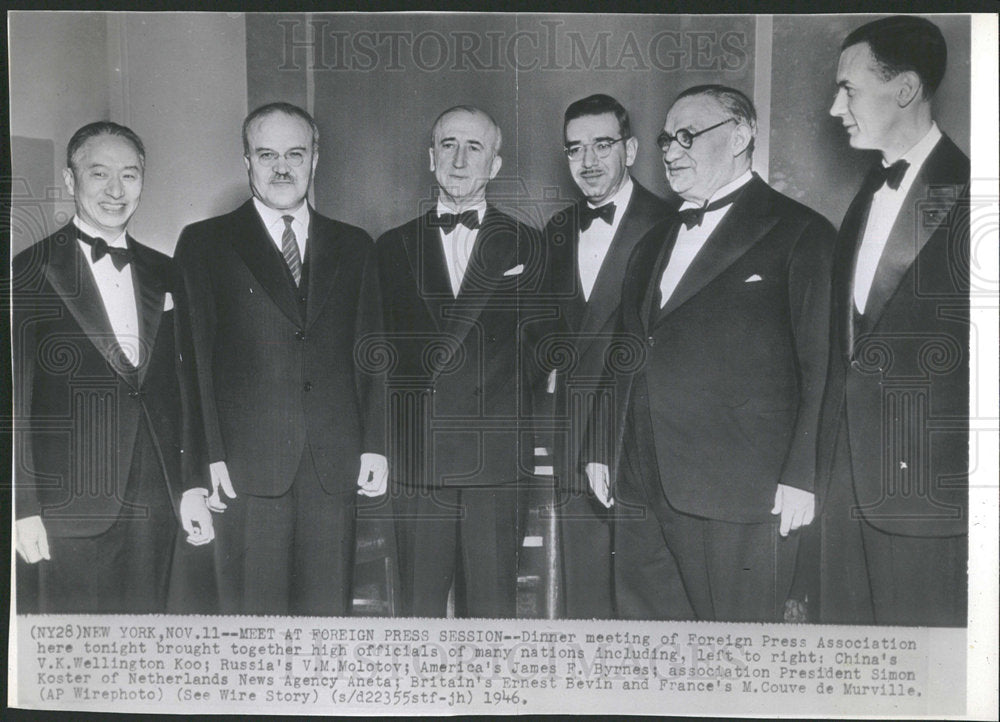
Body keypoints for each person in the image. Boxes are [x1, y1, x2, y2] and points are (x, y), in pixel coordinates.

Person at [586, 85, 835, 622]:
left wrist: (803, 475)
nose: (671, 152)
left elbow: (822, 367)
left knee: (738, 661)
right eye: (665, 140)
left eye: (687, 136)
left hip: (740, 495)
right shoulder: (652, 242)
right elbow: (625, 353)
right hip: (640, 484)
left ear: (741, 135)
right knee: (649, 655)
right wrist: (603, 445)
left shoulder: (802, 232)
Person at [174, 102, 386, 615]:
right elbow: (193, 362)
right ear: (246, 160)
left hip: (333, 467)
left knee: (326, 626)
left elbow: (373, 354)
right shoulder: (204, 243)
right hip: (245, 470)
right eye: (267, 154)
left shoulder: (355, 245)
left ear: (316, 158)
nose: (283, 167)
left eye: (296, 153)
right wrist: (205, 462)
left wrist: (376, 445)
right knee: (253, 626)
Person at [13, 121, 205, 612]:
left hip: (156, 501)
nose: (116, 191)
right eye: (99, 174)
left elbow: (184, 389)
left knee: (147, 657)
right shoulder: (26, 272)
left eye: (130, 175)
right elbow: (12, 401)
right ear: (71, 180)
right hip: (66, 510)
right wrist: (22, 508)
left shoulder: (168, 270)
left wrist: (190, 487)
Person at [818, 16, 969, 626]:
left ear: (904, 89)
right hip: (842, 489)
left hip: (924, 497)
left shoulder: (976, 194)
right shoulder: (866, 193)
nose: (834, 108)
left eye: (848, 89)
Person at [367, 106, 538, 617]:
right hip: (418, 458)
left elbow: (543, 351)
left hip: (497, 460)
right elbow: (376, 358)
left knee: (491, 618)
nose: (460, 160)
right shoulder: (392, 246)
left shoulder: (532, 244)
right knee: (417, 614)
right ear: (430, 157)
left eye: (475, 148)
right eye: (448, 145)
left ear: (496, 164)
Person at [537, 94, 673, 619]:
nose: (588, 162)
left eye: (602, 145)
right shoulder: (554, 232)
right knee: (585, 599)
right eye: (575, 149)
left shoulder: (673, 223)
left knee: (648, 600)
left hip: (641, 440)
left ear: (631, 149)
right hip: (573, 438)